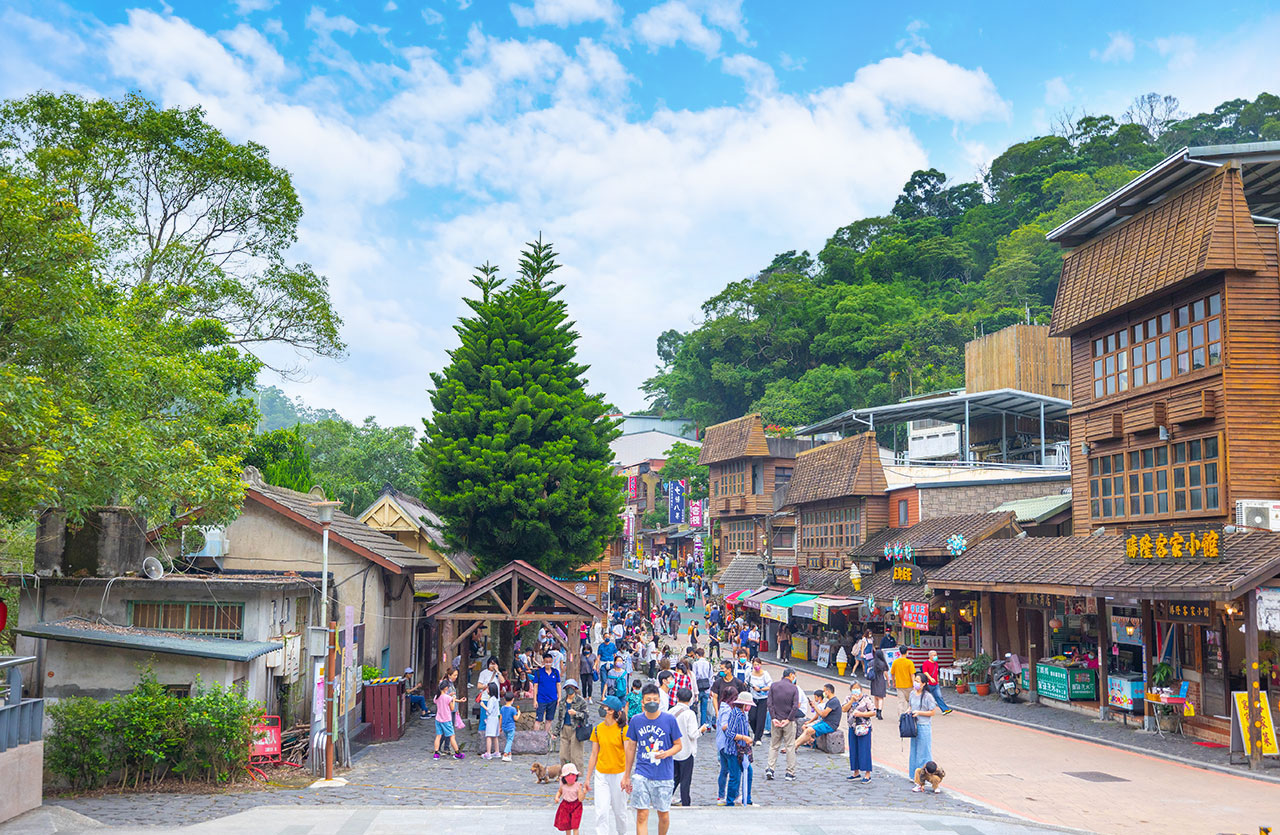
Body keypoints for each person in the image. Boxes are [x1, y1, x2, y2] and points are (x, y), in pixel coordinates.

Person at [623, 683, 683, 835]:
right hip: (642, 773)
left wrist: (667, 753)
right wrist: (626, 775)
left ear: (659, 701)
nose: (652, 702)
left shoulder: (669, 720)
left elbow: (678, 745)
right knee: (642, 814)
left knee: (663, 814)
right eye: (648, 699)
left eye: (655, 699)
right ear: (642, 702)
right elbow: (631, 748)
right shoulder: (636, 720)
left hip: (664, 775)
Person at [586, 696, 629, 835]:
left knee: (620, 812)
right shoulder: (598, 729)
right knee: (601, 812)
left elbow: (629, 754)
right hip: (601, 775)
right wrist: (587, 779)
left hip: (619, 774)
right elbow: (594, 754)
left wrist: (627, 777)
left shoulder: (624, 730)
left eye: (604, 707)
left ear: (611, 711)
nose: (602, 709)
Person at [716, 691, 754, 806]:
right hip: (733, 750)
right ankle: (730, 801)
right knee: (735, 776)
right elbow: (729, 733)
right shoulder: (736, 714)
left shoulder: (742, 714)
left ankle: (747, 799)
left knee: (748, 772)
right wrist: (744, 738)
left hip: (741, 750)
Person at [765, 667, 801, 781]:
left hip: (776, 720)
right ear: (791, 675)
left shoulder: (774, 686)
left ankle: (770, 768)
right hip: (788, 721)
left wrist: (773, 717)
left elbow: (769, 703)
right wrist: (789, 718)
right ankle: (790, 772)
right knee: (790, 746)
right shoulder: (794, 688)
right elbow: (795, 706)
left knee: (774, 745)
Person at [670, 687, 704, 807]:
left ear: (677, 698)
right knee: (685, 780)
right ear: (690, 700)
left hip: (673, 751)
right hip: (687, 751)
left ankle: (666, 797)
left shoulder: (670, 712)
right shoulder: (690, 714)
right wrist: (701, 730)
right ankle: (685, 803)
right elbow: (692, 734)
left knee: (674, 778)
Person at [907, 672, 939, 782]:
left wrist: (919, 713)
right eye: (915, 680)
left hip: (924, 726)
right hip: (914, 726)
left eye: (918, 681)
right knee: (914, 750)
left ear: (924, 684)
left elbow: (932, 712)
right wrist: (908, 712)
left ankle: (927, 776)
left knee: (924, 752)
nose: (915, 683)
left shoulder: (928, 696)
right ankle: (914, 775)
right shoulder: (912, 694)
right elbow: (910, 706)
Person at [844, 680, 875, 783]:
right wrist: (851, 701)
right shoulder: (848, 698)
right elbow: (844, 709)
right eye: (853, 688)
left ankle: (867, 774)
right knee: (853, 749)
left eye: (857, 688)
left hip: (864, 727)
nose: (856, 690)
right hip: (852, 726)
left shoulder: (866, 699)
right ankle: (855, 772)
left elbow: (873, 712)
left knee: (864, 750)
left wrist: (861, 714)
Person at [555, 679, 589, 771]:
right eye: (567, 687)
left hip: (576, 729)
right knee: (563, 755)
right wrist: (555, 732)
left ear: (575, 688)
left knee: (576, 755)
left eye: (572, 687)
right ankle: (565, 772)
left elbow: (586, 715)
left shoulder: (581, 701)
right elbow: (559, 718)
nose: (569, 689)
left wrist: (576, 713)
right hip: (564, 728)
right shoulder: (562, 702)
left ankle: (577, 773)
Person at [794, 684, 841, 749]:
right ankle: (794, 745)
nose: (823, 693)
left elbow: (823, 714)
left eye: (824, 691)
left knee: (809, 730)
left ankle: (795, 746)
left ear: (829, 691)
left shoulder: (834, 701)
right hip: (825, 722)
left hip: (830, 725)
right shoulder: (831, 701)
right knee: (807, 730)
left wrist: (815, 707)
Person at [432, 681, 464, 760]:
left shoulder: (437, 696)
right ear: (446, 688)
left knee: (438, 736)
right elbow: (452, 708)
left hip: (438, 719)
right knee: (452, 736)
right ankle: (457, 753)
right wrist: (453, 700)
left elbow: (438, 701)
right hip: (446, 719)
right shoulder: (448, 698)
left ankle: (436, 753)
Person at [746, 656, 773, 744]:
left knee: (761, 718)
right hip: (753, 698)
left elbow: (770, 686)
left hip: (763, 698)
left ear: (761, 665)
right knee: (752, 717)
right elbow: (746, 683)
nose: (756, 666)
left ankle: (758, 738)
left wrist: (761, 689)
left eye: (758, 664)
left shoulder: (765, 674)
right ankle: (755, 732)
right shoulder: (750, 674)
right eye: (754, 665)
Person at [534, 652, 562, 732]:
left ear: (552, 661)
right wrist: (535, 700)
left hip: (552, 699)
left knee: (549, 719)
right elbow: (535, 686)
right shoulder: (538, 672)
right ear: (543, 662)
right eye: (546, 661)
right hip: (541, 699)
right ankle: (535, 737)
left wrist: (559, 697)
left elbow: (558, 685)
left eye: (550, 661)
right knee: (538, 720)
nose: (548, 663)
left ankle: (546, 736)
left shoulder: (556, 672)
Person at [553, 762, 584, 835]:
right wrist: (557, 797)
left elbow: (580, 799)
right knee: (567, 825)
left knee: (575, 825)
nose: (571, 777)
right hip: (565, 806)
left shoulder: (577, 785)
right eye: (568, 775)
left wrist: (582, 792)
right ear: (564, 777)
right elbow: (559, 792)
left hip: (576, 806)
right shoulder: (563, 785)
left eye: (573, 774)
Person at [922, 650, 953, 715]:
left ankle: (945, 709)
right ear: (930, 656)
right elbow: (925, 672)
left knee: (939, 696)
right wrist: (930, 678)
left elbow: (936, 672)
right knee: (926, 697)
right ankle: (923, 709)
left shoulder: (936, 663)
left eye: (936, 655)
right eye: (934, 655)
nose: (935, 656)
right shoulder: (926, 663)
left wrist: (937, 680)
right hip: (928, 684)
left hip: (936, 684)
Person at [692, 648, 714, 726]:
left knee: (694, 707)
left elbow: (694, 676)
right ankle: (703, 725)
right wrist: (711, 689)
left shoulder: (695, 664)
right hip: (707, 688)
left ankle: (694, 725)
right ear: (704, 654)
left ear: (697, 655)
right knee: (704, 709)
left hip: (698, 688)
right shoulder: (709, 664)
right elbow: (711, 677)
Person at [482, 681, 502, 759]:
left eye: (487, 688)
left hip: (491, 719)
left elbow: (489, 710)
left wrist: (483, 705)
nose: (486, 690)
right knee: (495, 736)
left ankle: (488, 753)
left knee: (489, 736)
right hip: (495, 719)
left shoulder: (491, 700)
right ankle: (497, 751)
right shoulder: (496, 699)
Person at [870, 646, 890, 719]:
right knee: (881, 697)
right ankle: (879, 713)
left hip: (874, 680)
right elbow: (885, 673)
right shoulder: (883, 663)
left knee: (875, 697)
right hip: (881, 680)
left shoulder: (872, 662)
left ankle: (876, 711)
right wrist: (888, 681)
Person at [499, 692, 520, 762]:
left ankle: (509, 753)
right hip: (511, 727)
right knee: (510, 740)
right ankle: (505, 754)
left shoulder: (502, 708)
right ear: (513, 699)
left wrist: (500, 727)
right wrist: (519, 714)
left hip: (504, 727)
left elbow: (501, 718)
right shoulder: (513, 709)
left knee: (508, 740)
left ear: (504, 699)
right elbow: (515, 718)